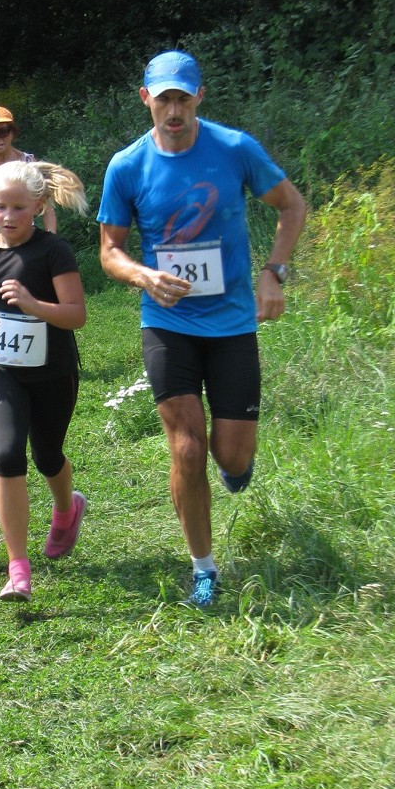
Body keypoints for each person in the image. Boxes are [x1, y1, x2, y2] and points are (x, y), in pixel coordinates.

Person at [97, 49, 307, 608]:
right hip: (168, 323)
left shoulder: (235, 149)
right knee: (187, 449)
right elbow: (109, 251)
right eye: (163, 98)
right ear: (146, 99)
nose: (173, 110)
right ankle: (203, 568)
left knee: (230, 456)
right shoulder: (127, 166)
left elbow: (292, 206)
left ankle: (236, 465)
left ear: (199, 97)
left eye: (182, 98)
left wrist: (273, 273)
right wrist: (143, 276)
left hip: (233, 321)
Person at [0, 160, 88, 601]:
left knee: (47, 455)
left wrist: (34, 304)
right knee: (8, 455)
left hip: (54, 372)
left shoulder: (53, 251)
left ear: (37, 206)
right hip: (3, 371)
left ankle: (67, 509)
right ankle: (18, 569)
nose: (7, 216)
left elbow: (76, 316)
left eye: (17, 207)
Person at [0, 106, 57, 234]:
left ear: (13, 132)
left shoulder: (29, 163)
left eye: (2, 132)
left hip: (24, 243)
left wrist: (52, 243)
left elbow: (47, 207)